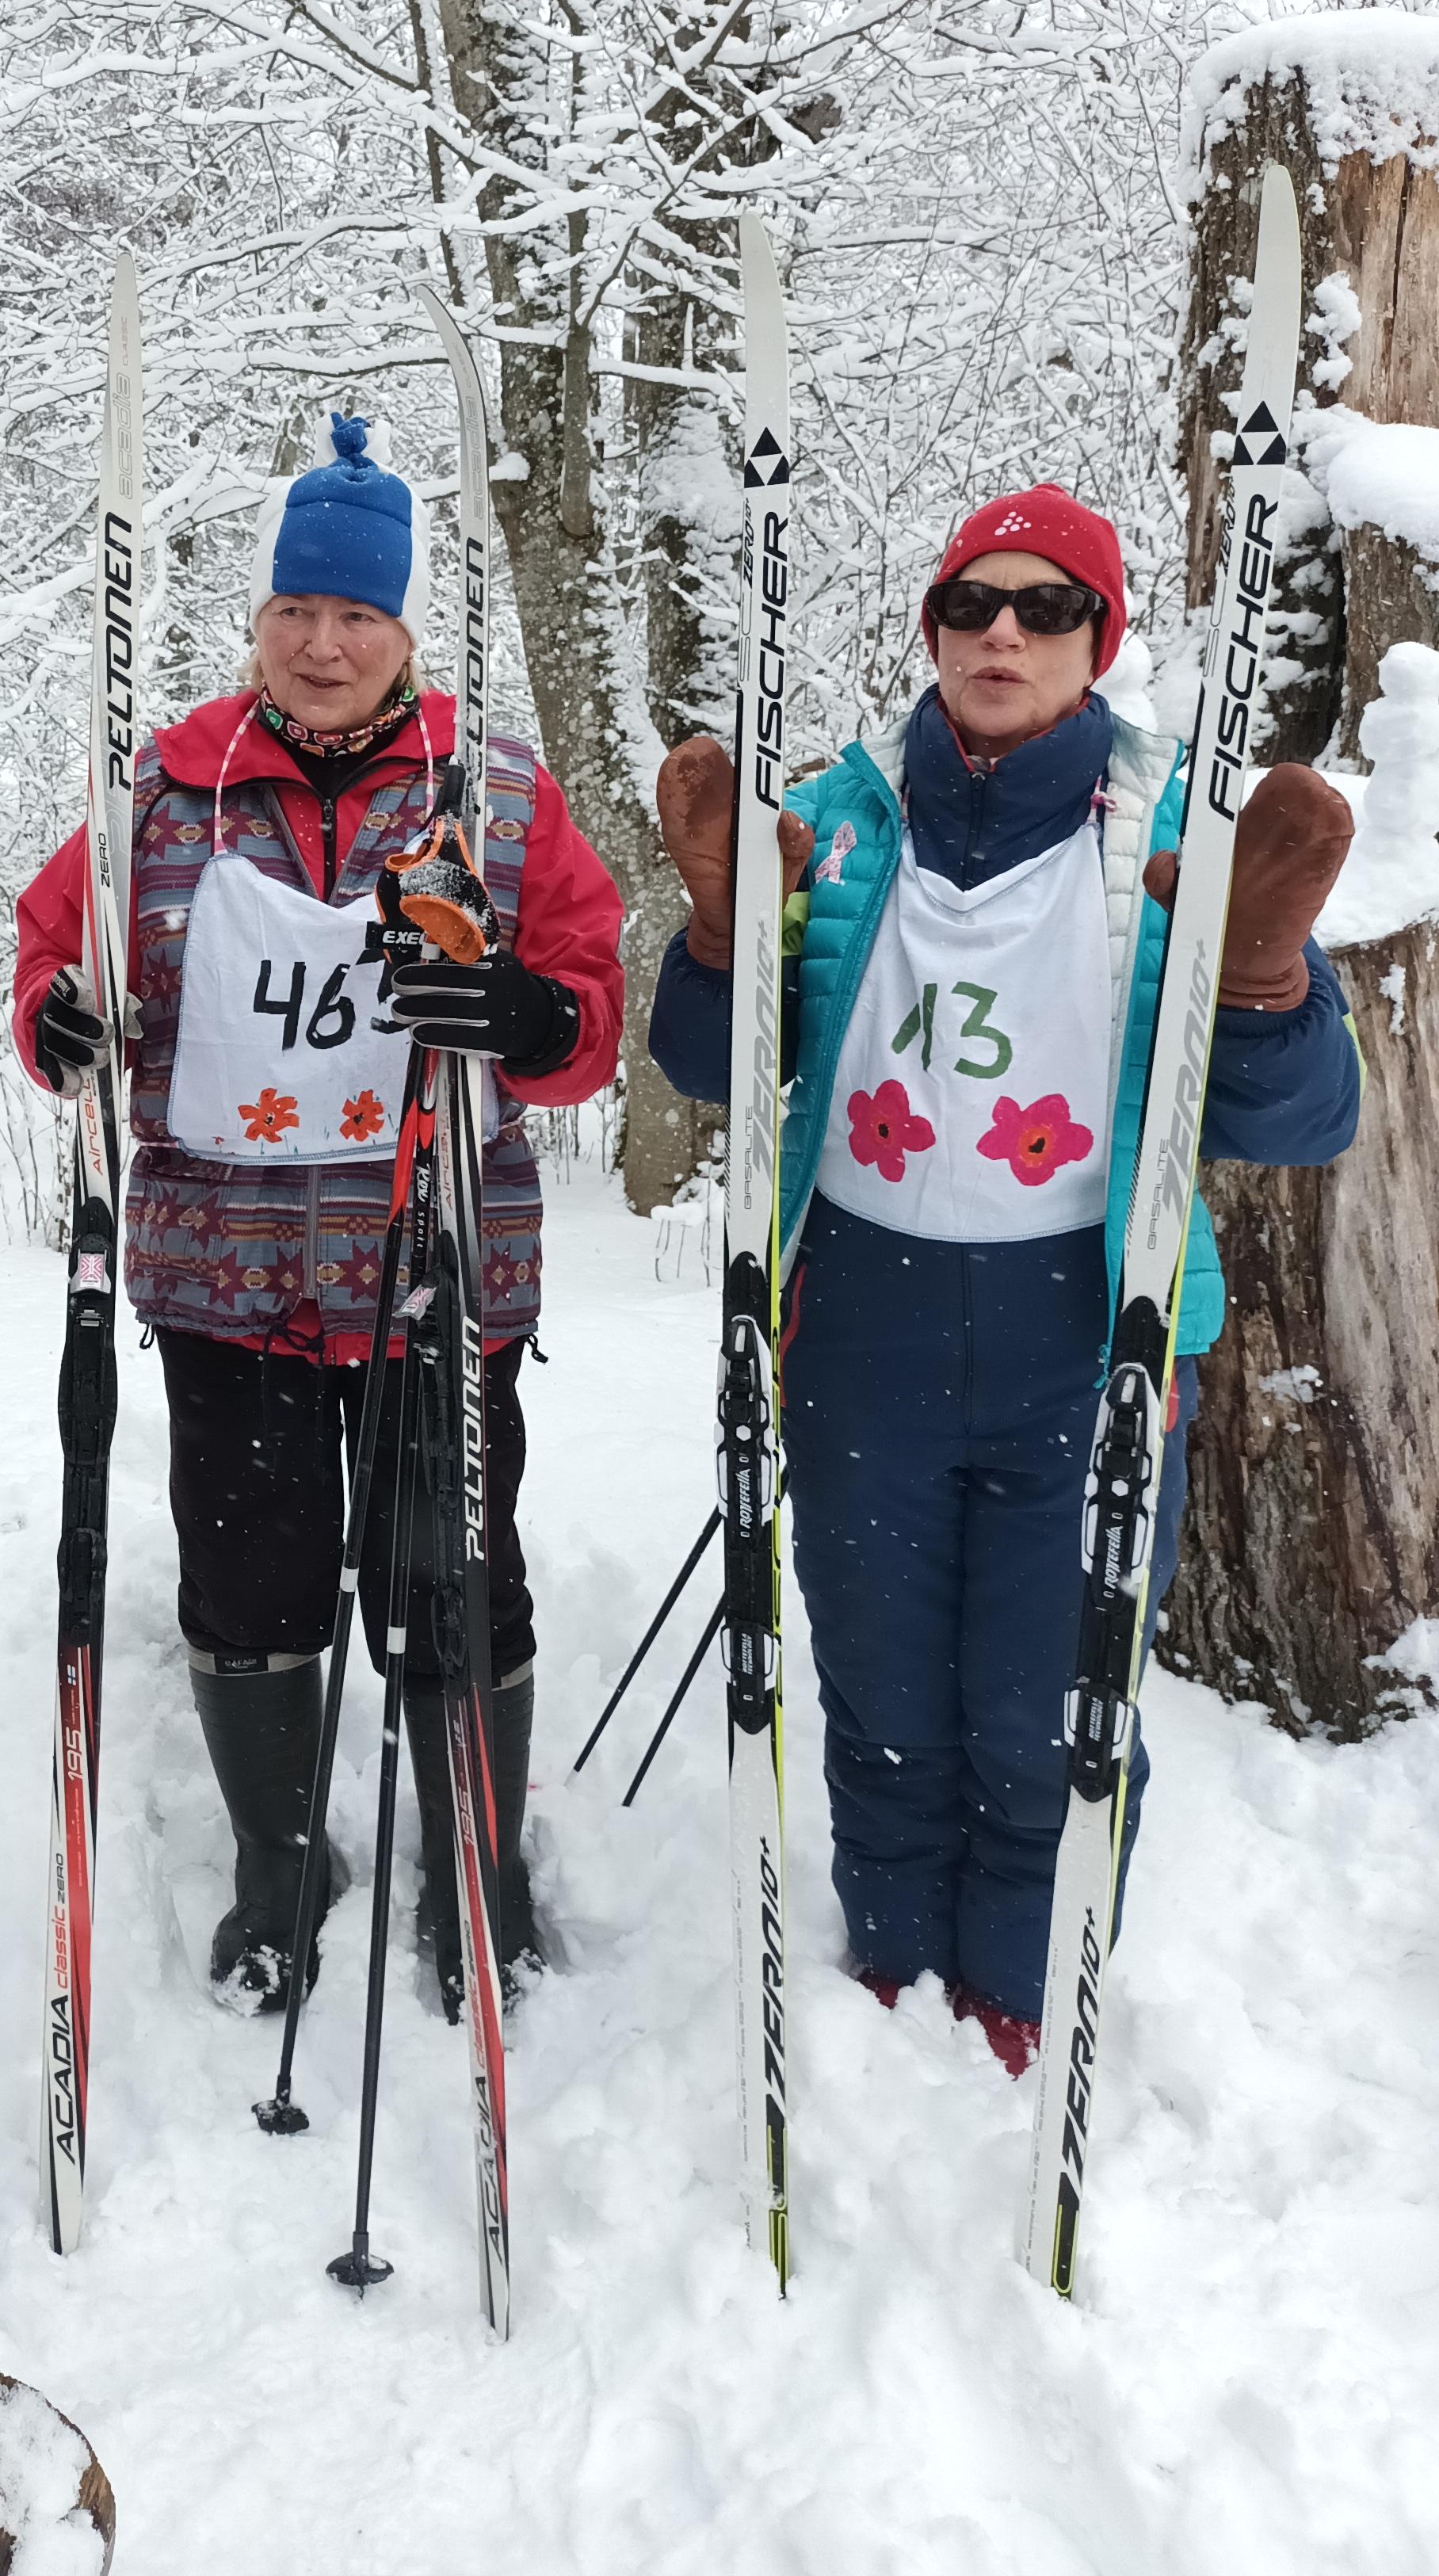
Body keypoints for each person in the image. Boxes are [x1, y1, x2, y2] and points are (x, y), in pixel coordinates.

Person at [647, 481, 1359, 2069]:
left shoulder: (1179, 830)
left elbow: (1313, 1119)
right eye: (973, 604)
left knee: (1053, 1700)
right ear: (934, 627)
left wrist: (1258, 979)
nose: (1003, 634)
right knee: (886, 1684)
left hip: (1080, 1328)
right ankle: (895, 1973)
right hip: (867, 1320)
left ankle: (1031, 1991)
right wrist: (722, 936)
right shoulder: (835, 821)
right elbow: (706, 1068)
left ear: (1097, 641)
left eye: (1045, 609)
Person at [10, 418, 624, 2017]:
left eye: (357, 615)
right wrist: (59, 1020)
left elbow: (588, 1006)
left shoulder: (491, 792)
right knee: (251, 1576)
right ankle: (280, 1858)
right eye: (298, 611)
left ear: (406, 629)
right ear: (263, 620)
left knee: (453, 1570)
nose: (324, 642)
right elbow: (57, 946)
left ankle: (475, 1864)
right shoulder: (172, 780)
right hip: (230, 1278)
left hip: (435, 1267)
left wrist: (515, 1007)